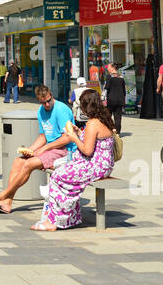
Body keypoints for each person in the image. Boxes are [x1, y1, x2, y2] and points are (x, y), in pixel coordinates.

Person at [33, 91, 121, 231]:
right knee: (60, 172)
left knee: (57, 176)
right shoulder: (103, 118)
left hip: (95, 166)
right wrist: (79, 133)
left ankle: (57, 220)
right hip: (103, 164)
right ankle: (70, 217)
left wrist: (74, 138)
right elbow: (94, 142)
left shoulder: (93, 123)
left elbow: (87, 150)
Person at [0, 85, 73, 214]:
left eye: (49, 100)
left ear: (51, 95)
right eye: (43, 102)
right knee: (18, 161)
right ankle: (7, 202)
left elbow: (67, 138)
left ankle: (2, 195)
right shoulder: (41, 112)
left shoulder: (61, 110)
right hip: (51, 149)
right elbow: (43, 136)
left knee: (28, 164)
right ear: (39, 101)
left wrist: (44, 148)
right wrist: (30, 150)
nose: (47, 104)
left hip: (65, 151)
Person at [104, 63, 126, 135]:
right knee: (118, 117)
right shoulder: (121, 77)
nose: (107, 68)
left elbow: (107, 87)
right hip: (120, 100)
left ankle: (109, 130)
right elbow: (124, 90)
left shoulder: (109, 77)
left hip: (111, 100)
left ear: (113, 68)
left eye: (109, 67)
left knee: (108, 116)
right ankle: (118, 132)